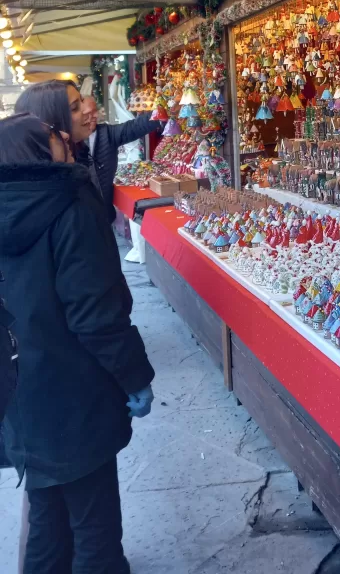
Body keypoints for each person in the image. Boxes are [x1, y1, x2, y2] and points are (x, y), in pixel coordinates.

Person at [0, 106, 155, 574]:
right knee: (95, 524)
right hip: (73, 390)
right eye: (51, 133)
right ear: (32, 150)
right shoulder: (69, 204)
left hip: (23, 389)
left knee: (48, 513)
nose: (64, 136)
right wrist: (134, 378)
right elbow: (96, 313)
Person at [79, 95, 163, 221]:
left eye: (95, 111)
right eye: (89, 113)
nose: (95, 115)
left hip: (104, 215)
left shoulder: (107, 134)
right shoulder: (68, 142)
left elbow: (134, 127)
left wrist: (161, 113)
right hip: (79, 217)